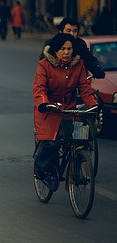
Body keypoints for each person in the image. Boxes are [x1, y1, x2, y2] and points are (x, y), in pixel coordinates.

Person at [32, 33, 99, 180]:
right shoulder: (44, 64)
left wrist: (93, 105)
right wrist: (43, 102)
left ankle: (76, 174)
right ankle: (40, 165)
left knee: (80, 140)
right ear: (55, 51)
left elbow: (85, 88)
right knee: (52, 142)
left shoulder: (79, 64)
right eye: (63, 49)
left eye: (69, 49)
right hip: (49, 109)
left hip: (69, 108)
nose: (67, 52)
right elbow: (39, 88)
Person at [41, 17, 105, 79]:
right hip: (55, 80)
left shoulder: (80, 44)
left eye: (74, 31)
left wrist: (97, 71)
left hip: (75, 80)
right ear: (61, 32)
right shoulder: (52, 43)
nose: (71, 34)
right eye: (68, 31)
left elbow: (89, 59)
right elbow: (43, 64)